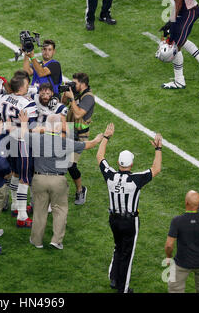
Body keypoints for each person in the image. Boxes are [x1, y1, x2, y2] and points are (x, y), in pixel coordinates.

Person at [13, 112, 104, 249]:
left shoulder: (38, 138)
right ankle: (56, 240)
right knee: (60, 210)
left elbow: (24, 135)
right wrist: (98, 139)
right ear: (57, 128)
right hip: (58, 181)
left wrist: (24, 122)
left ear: (46, 126)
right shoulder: (65, 142)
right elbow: (87, 145)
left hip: (39, 179)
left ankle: (36, 241)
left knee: (39, 211)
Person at [96, 124, 162, 293]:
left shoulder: (110, 175)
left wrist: (106, 137)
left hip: (113, 219)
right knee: (127, 255)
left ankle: (113, 276)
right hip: (130, 221)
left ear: (118, 162)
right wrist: (158, 149)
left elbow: (99, 157)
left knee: (118, 246)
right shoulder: (136, 180)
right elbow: (156, 169)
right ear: (131, 164)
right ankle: (122, 289)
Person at [0, 73, 38, 228]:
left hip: (8, 140)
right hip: (22, 142)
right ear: (20, 87)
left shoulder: (3, 98)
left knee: (15, 173)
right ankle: (22, 215)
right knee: (24, 178)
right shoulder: (28, 104)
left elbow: (0, 117)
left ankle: (15, 206)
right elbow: (31, 127)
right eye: (26, 84)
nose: (28, 86)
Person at [157, 0, 199, 89]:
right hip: (185, 12)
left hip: (187, 13)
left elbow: (178, 4)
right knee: (179, 40)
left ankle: (179, 81)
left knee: (175, 46)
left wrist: (170, 22)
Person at [61, 73, 96, 205]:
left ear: (83, 84)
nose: (73, 85)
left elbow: (77, 114)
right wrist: (65, 94)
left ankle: (80, 190)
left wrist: (71, 99)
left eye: (75, 83)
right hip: (68, 130)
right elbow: (61, 104)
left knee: (71, 164)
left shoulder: (89, 98)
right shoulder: (75, 92)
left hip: (80, 135)